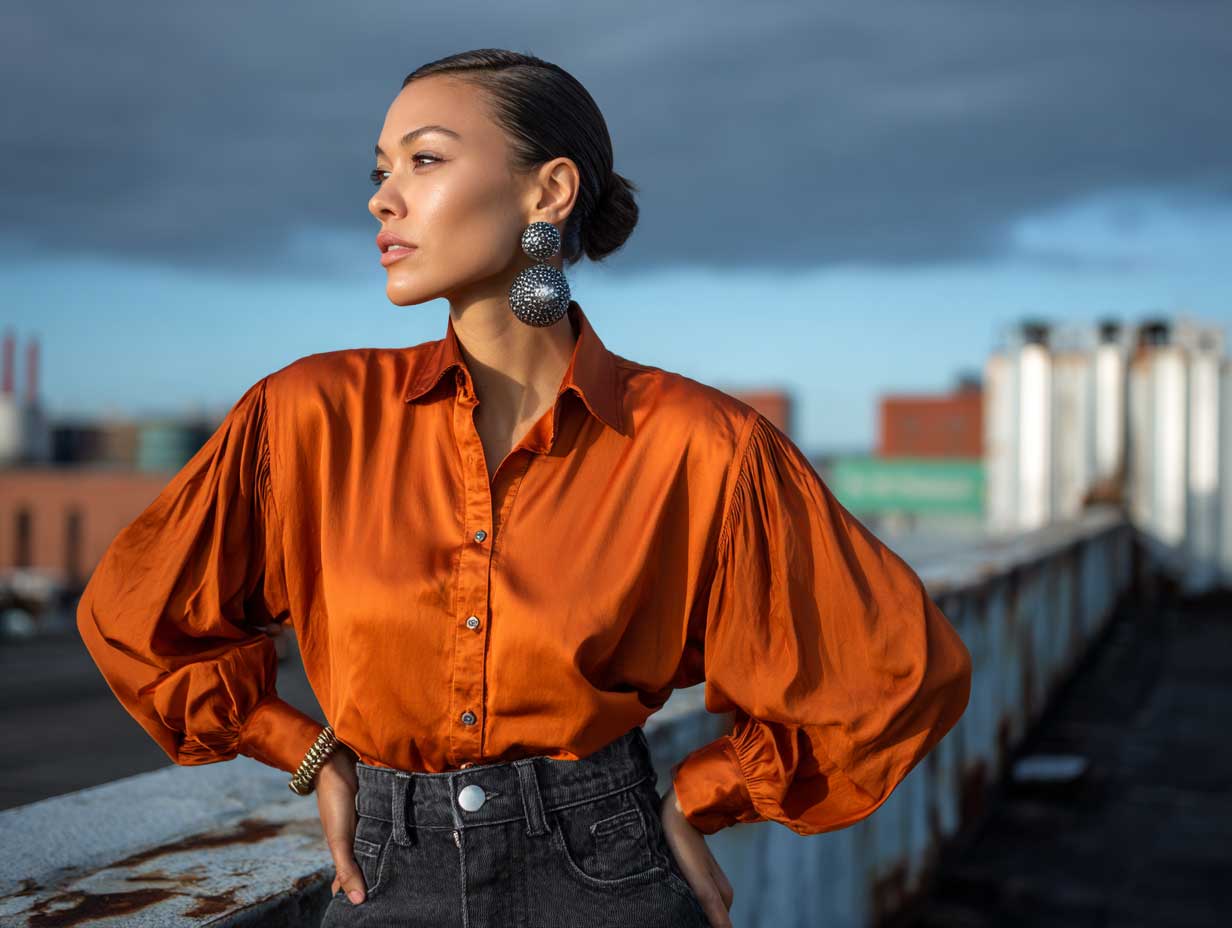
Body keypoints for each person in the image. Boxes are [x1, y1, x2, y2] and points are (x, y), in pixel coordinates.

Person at [76, 48, 973, 928]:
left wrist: (699, 797)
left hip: (612, 878)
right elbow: (140, 613)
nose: (381, 199)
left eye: (424, 160)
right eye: (381, 169)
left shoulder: (701, 443)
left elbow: (885, 675)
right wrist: (309, 750)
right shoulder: (307, 415)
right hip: (384, 884)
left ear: (548, 192)